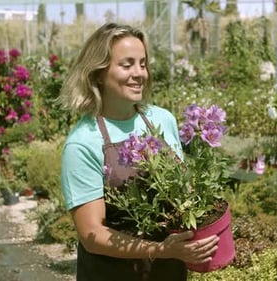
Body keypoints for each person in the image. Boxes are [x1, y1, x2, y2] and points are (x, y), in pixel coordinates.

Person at [60, 22, 219, 281]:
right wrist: (160, 250)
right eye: (127, 64)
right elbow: (92, 235)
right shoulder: (83, 143)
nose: (139, 73)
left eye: (142, 63)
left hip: (168, 271)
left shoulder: (161, 120)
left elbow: (183, 190)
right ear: (98, 72)